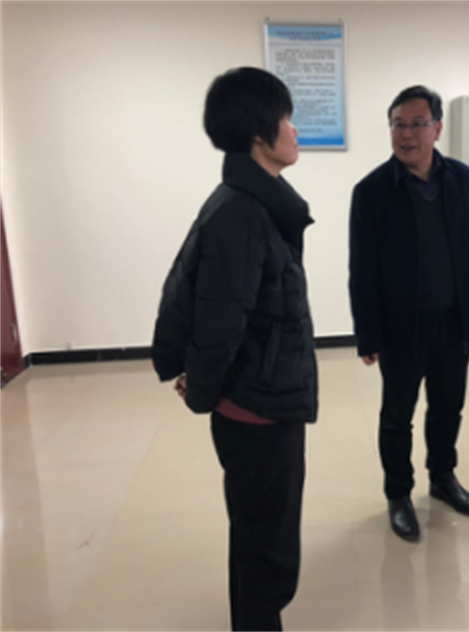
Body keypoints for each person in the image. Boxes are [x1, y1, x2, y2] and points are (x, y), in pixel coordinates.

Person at [151, 67, 317, 631]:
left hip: (264, 397)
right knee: (266, 553)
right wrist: (202, 389)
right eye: (286, 118)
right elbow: (221, 321)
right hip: (258, 409)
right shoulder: (244, 212)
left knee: (257, 540)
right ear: (257, 132)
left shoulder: (251, 202)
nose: (294, 130)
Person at [348, 85, 469, 541]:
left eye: (416, 124)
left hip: (453, 323)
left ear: (437, 128)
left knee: (448, 407)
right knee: (397, 416)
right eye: (397, 125)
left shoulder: (461, 179)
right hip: (401, 327)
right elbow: (362, 269)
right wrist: (367, 333)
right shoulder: (372, 191)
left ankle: (443, 478)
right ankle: (398, 493)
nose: (406, 134)